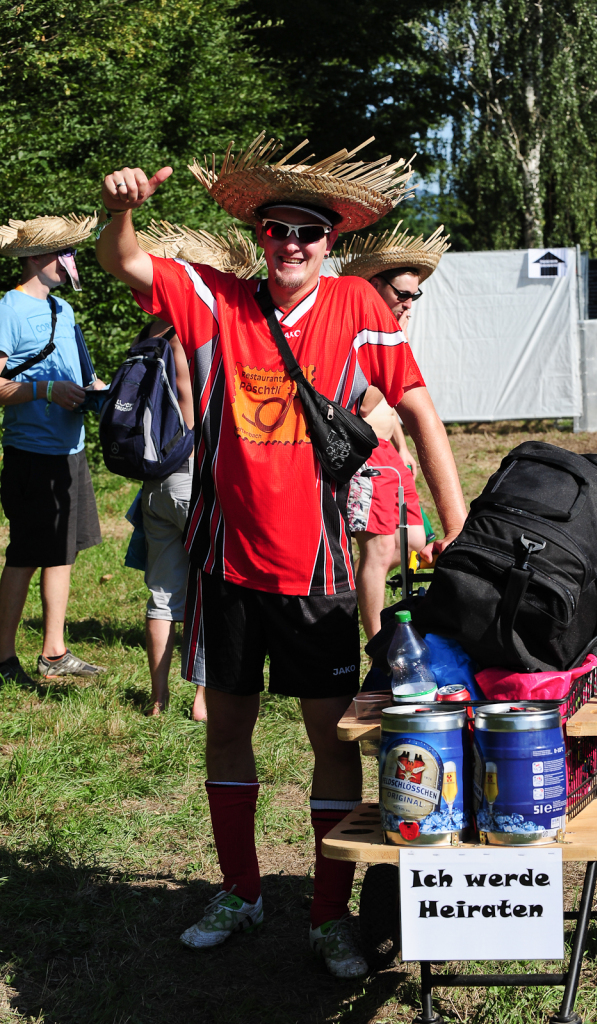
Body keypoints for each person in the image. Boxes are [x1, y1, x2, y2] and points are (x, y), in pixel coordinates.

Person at [95, 133, 467, 979]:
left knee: (331, 742)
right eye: (277, 231)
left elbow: (417, 407)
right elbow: (128, 264)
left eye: (308, 232)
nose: (291, 245)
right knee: (225, 734)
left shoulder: (358, 310)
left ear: (331, 244)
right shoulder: (217, 299)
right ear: (259, 239)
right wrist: (120, 212)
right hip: (227, 568)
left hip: (322, 576)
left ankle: (330, 914)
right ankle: (240, 888)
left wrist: (458, 520)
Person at [133, 222, 265, 719]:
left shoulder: (150, 335)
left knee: (163, 590)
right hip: (197, 476)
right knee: (215, 586)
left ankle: (158, 698)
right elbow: (206, 413)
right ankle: (204, 698)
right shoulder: (196, 337)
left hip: (155, 480)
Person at [0, 214, 107, 685]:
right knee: (25, 554)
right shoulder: (7, 308)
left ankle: (54, 652)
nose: (72, 262)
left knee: (63, 552)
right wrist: (44, 392)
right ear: (38, 257)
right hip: (30, 454)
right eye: (66, 253)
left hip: (71, 450)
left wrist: (103, 391)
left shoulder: (64, 310)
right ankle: (3, 658)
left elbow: (80, 376)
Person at [335, 224, 451, 639]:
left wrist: (402, 448)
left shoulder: (389, 335)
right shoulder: (358, 332)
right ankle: (376, 640)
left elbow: (396, 408)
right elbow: (363, 403)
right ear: (373, 287)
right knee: (381, 550)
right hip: (364, 456)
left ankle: (392, 623)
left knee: (416, 541)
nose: (409, 303)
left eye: (414, 295)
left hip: (388, 454)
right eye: (401, 293)